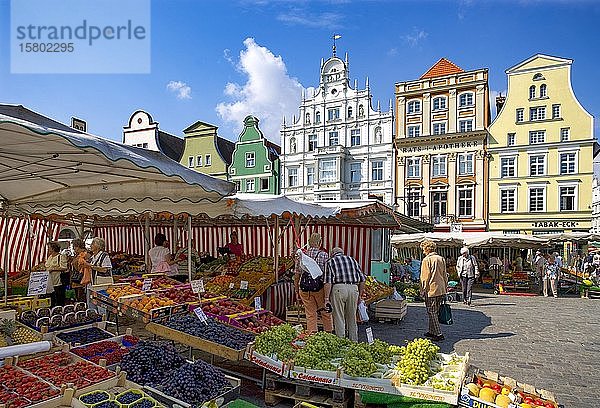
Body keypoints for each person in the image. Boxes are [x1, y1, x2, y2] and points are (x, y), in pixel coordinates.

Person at [293, 233, 334, 334]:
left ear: (309, 243)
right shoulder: (324, 255)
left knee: (310, 314)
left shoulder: (301, 255)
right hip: (319, 288)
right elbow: (327, 275)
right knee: (325, 312)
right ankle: (328, 334)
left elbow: (297, 274)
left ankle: (312, 335)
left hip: (305, 289)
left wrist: (296, 289)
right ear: (319, 242)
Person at [324, 247, 366, 342]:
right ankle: (354, 342)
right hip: (353, 288)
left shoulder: (330, 262)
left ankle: (341, 342)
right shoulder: (353, 260)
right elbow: (363, 280)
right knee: (352, 318)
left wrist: (326, 298)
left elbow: (328, 282)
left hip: (338, 289)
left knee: (339, 317)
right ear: (342, 253)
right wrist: (359, 295)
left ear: (332, 254)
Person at [419, 239, 447, 342]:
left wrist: (422, 290)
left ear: (427, 249)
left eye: (423, 249)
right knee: (435, 310)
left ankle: (439, 334)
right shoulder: (441, 258)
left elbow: (425, 277)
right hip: (441, 288)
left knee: (431, 312)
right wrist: (445, 287)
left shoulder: (427, 260)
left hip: (431, 289)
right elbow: (445, 275)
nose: (423, 251)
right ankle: (432, 331)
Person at [45, 241, 68, 307]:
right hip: (50, 281)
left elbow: (64, 267)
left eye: (49, 248)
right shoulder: (50, 257)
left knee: (59, 298)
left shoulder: (60, 257)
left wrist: (53, 269)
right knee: (52, 298)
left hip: (58, 281)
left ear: (53, 248)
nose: (48, 249)